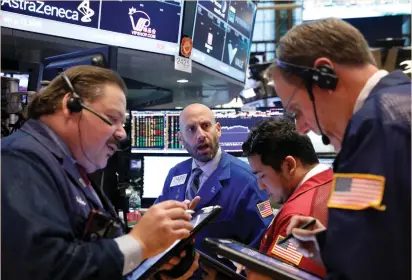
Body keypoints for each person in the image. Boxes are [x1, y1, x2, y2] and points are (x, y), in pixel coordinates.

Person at [2, 65, 198, 280]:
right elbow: (40, 268)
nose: (122, 134)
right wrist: (139, 243)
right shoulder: (19, 159)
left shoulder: (74, 170)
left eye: (123, 123)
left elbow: (92, 255)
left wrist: (152, 266)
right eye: (112, 119)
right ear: (70, 105)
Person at [266, 18, 411, 280]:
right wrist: (329, 243)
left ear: (325, 76)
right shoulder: (400, 103)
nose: (301, 128)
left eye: (297, 110)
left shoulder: (376, 128)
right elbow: (389, 244)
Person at [155, 104, 273, 274]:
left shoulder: (248, 180)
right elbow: (159, 224)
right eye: (191, 129)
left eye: (205, 126)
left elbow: (263, 244)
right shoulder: (175, 174)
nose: (200, 135)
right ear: (181, 139)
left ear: (218, 130)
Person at [240, 117, 333, 279]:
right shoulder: (337, 181)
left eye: (262, 175)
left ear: (289, 165)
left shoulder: (297, 216)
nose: (261, 186)